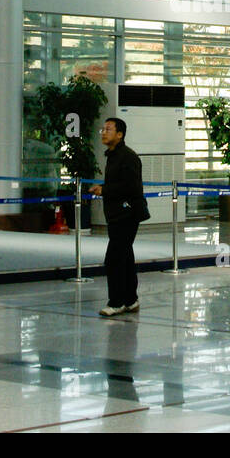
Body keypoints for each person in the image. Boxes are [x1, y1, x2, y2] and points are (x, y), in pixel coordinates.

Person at [92, 117, 149, 317]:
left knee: (114, 258)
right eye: (103, 129)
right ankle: (131, 299)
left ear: (119, 134)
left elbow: (130, 187)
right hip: (117, 214)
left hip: (127, 214)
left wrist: (104, 190)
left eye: (108, 129)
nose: (103, 132)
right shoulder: (114, 155)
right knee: (125, 256)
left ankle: (116, 302)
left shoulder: (128, 157)